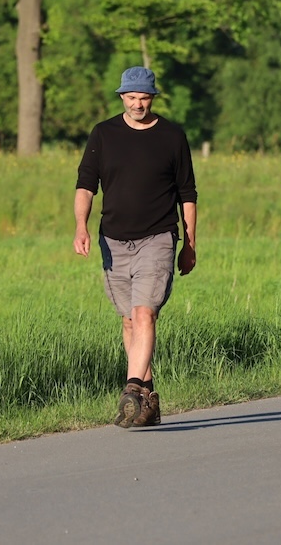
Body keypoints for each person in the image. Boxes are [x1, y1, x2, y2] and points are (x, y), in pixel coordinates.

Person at [74, 66, 197, 428]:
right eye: (131, 97)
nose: (138, 104)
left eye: (144, 98)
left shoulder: (172, 136)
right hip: (113, 240)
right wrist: (80, 226)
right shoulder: (103, 134)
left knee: (145, 314)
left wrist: (190, 243)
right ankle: (148, 398)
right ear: (122, 97)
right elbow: (86, 185)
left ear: (152, 98)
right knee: (129, 320)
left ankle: (131, 389)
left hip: (158, 237)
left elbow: (187, 194)